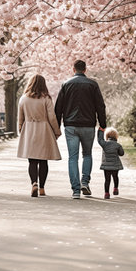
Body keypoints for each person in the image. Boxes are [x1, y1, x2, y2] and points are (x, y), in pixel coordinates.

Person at [55, 60, 106, 199]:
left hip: (71, 125)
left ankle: (76, 190)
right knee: (87, 155)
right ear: (85, 69)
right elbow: (100, 106)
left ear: (73, 69)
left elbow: (58, 107)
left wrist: (56, 126)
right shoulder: (93, 84)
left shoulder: (66, 84)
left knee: (73, 157)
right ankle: (85, 182)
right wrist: (103, 124)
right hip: (88, 125)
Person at [17, 74, 61, 197]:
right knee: (43, 160)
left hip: (29, 129)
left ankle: (34, 183)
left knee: (32, 160)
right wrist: (56, 131)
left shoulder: (23, 99)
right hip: (44, 129)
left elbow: (20, 118)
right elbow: (52, 117)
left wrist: (21, 130)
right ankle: (42, 188)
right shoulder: (46, 98)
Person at [97, 127, 124, 199]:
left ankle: (106, 193)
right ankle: (115, 188)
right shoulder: (118, 145)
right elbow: (121, 153)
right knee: (115, 177)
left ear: (107, 136)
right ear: (116, 136)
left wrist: (100, 130)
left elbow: (99, 140)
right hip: (115, 165)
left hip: (106, 166)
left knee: (107, 179)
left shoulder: (104, 144)